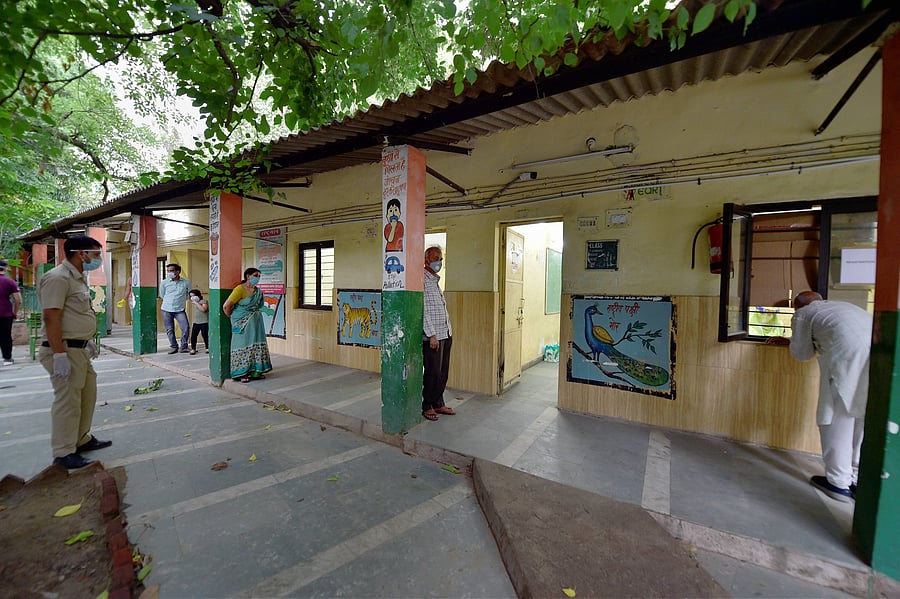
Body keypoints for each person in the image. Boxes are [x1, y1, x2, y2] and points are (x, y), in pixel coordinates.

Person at [774, 291, 872, 503]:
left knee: (836, 421)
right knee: (862, 420)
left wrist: (792, 342)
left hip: (845, 362)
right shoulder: (841, 306)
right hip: (876, 358)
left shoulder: (804, 313)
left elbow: (802, 353)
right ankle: (856, 479)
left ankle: (838, 483)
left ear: (797, 306)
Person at [38, 236, 110, 470]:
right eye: (96, 254)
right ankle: (63, 452)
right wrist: (59, 354)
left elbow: (75, 314)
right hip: (64, 350)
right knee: (68, 401)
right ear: (81, 253)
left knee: (88, 394)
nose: (98, 259)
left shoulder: (78, 279)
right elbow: (51, 316)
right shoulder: (58, 278)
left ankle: (81, 439)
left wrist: (86, 340)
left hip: (78, 349)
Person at [422, 246, 454, 421]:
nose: (439, 262)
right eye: (435, 258)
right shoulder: (423, 280)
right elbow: (423, 310)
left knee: (443, 372)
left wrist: (447, 332)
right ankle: (427, 405)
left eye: (441, 259)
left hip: (445, 332)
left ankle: (438, 402)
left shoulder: (435, 280)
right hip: (433, 336)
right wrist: (431, 335)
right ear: (426, 260)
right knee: (432, 372)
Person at [222, 267, 272, 383]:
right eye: (255, 275)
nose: (257, 278)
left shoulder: (257, 291)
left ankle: (256, 372)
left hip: (256, 323)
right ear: (248, 276)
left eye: (259, 276)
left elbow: (259, 305)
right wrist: (233, 319)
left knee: (255, 345)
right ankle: (241, 373)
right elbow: (226, 306)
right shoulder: (240, 289)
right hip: (241, 323)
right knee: (242, 345)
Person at [159, 263, 191, 354]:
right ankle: (173, 346)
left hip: (180, 309)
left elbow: (189, 295)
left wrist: (180, 301)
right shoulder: (164, 282)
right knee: (169, 329)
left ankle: (184, 346)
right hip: (166, 308)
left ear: (178, 271)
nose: (169, 272)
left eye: (172, 270)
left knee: (185, 327)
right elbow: (162, 295)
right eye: (168, 271)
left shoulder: (186, 282)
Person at [0, 259, 22, 366]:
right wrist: (15, 312)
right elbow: (18, 300)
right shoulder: (10, 282)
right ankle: (7, 358)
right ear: (5, 269)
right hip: (5, 313)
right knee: (5, 335)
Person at [188, 289, 209, 354]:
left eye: (193, 296)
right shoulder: (194, 303)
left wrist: (197, 303)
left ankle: (207, 348)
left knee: (205, 335)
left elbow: (204, 309)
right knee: (193, 336)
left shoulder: (204, 301)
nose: (192, 298)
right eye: (191, 296)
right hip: (196, 321)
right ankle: (193, 348)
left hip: (204, 321)